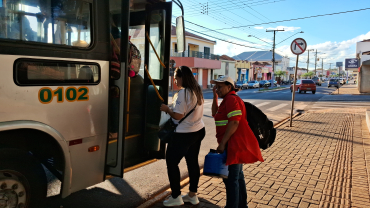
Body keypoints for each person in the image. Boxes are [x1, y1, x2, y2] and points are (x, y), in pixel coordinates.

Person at [211, 76, 264, 208]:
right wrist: (215, 97)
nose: (217, 89)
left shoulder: (231, 99)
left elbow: (234, 122)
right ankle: (242, 205)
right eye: (216, 87)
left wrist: (223, 143)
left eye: (220, 86)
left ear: (229, 87)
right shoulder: (227, 100)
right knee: (237, 177)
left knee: (231, 180)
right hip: (233, 144)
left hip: (233, 145)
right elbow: (215, 114)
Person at [160, 66, 206, 206]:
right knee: (192, 162)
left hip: (184, 134)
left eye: (175, 78)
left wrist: (167, 109)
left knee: (172, 163)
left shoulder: (183, 93)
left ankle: (176, 197)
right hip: (198, 130)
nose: (174, 81)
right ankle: (192, 195)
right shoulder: (197, 91)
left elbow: (179, 115)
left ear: (182, 77)